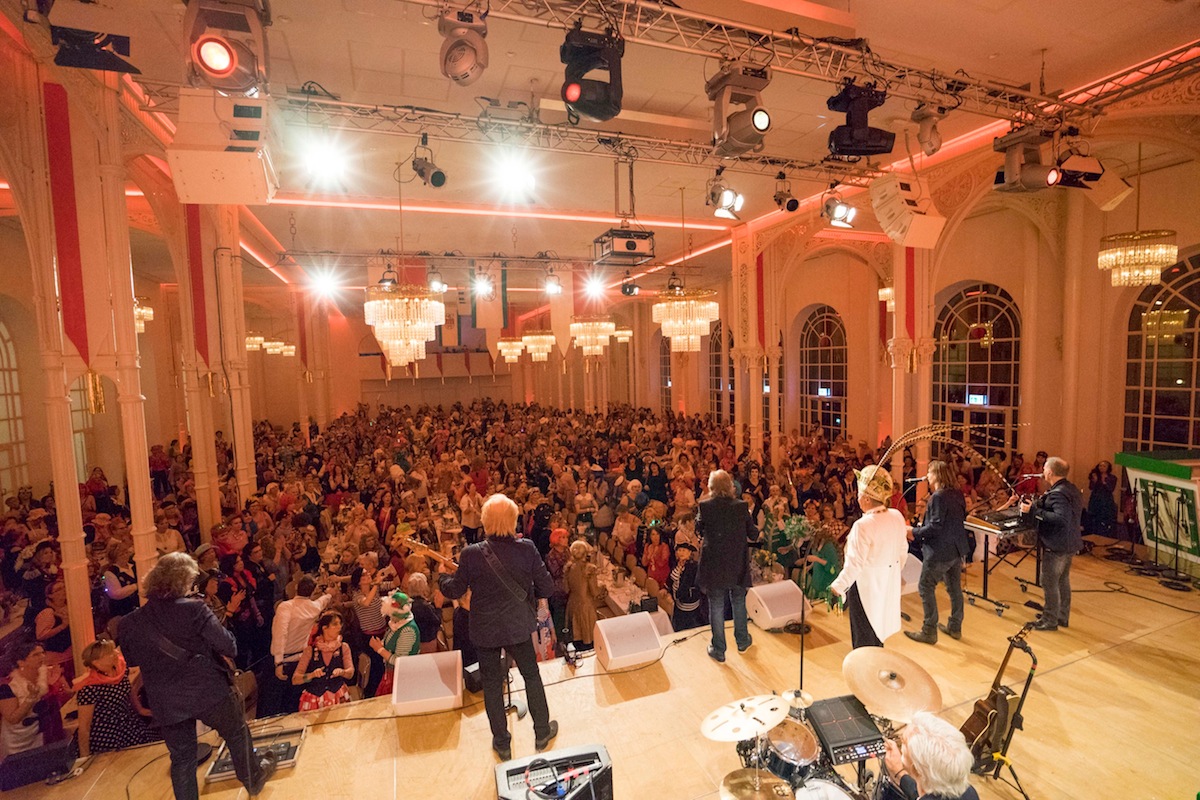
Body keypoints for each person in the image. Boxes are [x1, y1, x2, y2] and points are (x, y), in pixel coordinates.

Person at [118, 553, 277, 800]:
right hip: (208, 691)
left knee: (182, 759)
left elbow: (132, 660)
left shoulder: (129, 623)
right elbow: (229, 647)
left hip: (166, 701)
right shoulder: (194, 609)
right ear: (183, 581)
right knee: (236, 734)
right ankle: (254, 780)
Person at [437, 493, 558, 761]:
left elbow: (454, 589)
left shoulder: (471, 554)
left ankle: (502, 743)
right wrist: (527, 593)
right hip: (518, 626)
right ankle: (541, 732)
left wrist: (442, 576)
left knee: (492, 685)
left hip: (486, 630)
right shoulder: (527, 549)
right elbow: (547, 587)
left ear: (486, 520)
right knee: (531, 676)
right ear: (513, 520)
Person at [830, 465, 909, 649]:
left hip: (865, 587)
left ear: (866, 498)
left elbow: (854, 565)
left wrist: (837, 588)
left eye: (859, 495)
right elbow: (902, 551)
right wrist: (890, 573)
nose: (857, 499)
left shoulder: (863, 525)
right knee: (878, 630)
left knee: (863, 636)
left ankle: (865, 666)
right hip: (887, 584)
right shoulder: (896, 516)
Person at [905, 460, 970, 645]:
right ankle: (955, 627)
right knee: (954, 588)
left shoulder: (938, 497)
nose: (927, 476)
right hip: (956, 549)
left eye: (930, 472)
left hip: (940, 551)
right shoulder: (957, 493)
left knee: (925, 587)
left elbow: (935, 527)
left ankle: (929, 631)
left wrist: (913, 531)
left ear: (937, 475)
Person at [696, 469, 756, 663]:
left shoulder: (705, 506)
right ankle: (742, 641)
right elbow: (753, 534)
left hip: (714, 564)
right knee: (738, 601)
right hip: (737, 563)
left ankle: (719, 649)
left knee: (716, 604)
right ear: (731, 486)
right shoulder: (741, 506)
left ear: (711, 487)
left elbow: (699, 530)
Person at [1022, 457, 1083, 631]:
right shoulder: (1070, 488)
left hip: (1057, 544)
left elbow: (1060, 518)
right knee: (1062, 580)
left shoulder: (1058, 493)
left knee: (1049, 581)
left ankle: (1049, 620)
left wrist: (1033, 510)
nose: (1042, 471)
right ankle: (1061, 616)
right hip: (1069, 542)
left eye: (1044, 469)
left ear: (1049, 472)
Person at [74, 638, 159, 757]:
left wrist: (140, 709)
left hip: (129, 725)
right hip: (108, 735)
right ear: (96, 662)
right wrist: (85, 757)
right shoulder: (89, 688)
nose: (115, 653)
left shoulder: (121, 671)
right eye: (109, 653)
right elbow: (84, 727)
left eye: (113, 650)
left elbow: (129, 691)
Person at [268, 576, 332, 716]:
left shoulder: (285, 606)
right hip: (300, 661)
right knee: (294, 704)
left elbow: (281, 634)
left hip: (283, 661)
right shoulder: (314, 608)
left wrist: (278, 662)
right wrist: (329, 594)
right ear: (312, 591)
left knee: (275, 706)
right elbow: (323, 601)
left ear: (296, 587)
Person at [882, 711, 980, 800]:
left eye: (904, 742)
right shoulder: (969, 792)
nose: (900, 743)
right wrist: (900, 773)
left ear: (916, 769)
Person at [293, 610, 354, 711]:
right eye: (335, 624)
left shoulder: (343, 647)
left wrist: (342, 672)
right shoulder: (310, 650)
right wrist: (312, 675)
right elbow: (295, 679)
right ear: (324, 628)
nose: (339, 627)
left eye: (340, 623)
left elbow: (350, 672)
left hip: (338, 695)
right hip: (315, 699)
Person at [564, 540, 600, 649]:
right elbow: (595, 592)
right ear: (586, 553)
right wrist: (603, 589)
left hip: (573, 605)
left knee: (577, 639)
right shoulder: (589, 569)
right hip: (586, 608)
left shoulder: (568, 568)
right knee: (589, 641)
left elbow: (566, 589)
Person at [667, 542, 703, 631]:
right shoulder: (677, 563)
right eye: (679, 550)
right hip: (678, 603)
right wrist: (667, 590)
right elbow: (670, 579)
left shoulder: (692, 567)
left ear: (689, 552)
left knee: (687, 628)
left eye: (684, 550)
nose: (681, 553)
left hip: (688, 603)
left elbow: (685, 585)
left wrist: (676, 597)